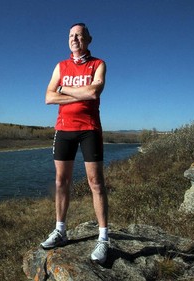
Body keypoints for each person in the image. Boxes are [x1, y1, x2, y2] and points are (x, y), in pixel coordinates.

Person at [40, 23, 109, 264]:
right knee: (61, 181)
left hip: (89, 129)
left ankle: (103, 238)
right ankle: (60, 230)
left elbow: (93, 93)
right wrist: (79, 91)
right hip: (64, 130)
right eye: (71, 35)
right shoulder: (61, 66)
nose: (74, 38)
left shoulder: (98, 64)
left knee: (96, 182)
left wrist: (65, 89)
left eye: (79, 35)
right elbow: (49, 97)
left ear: (88, 38)